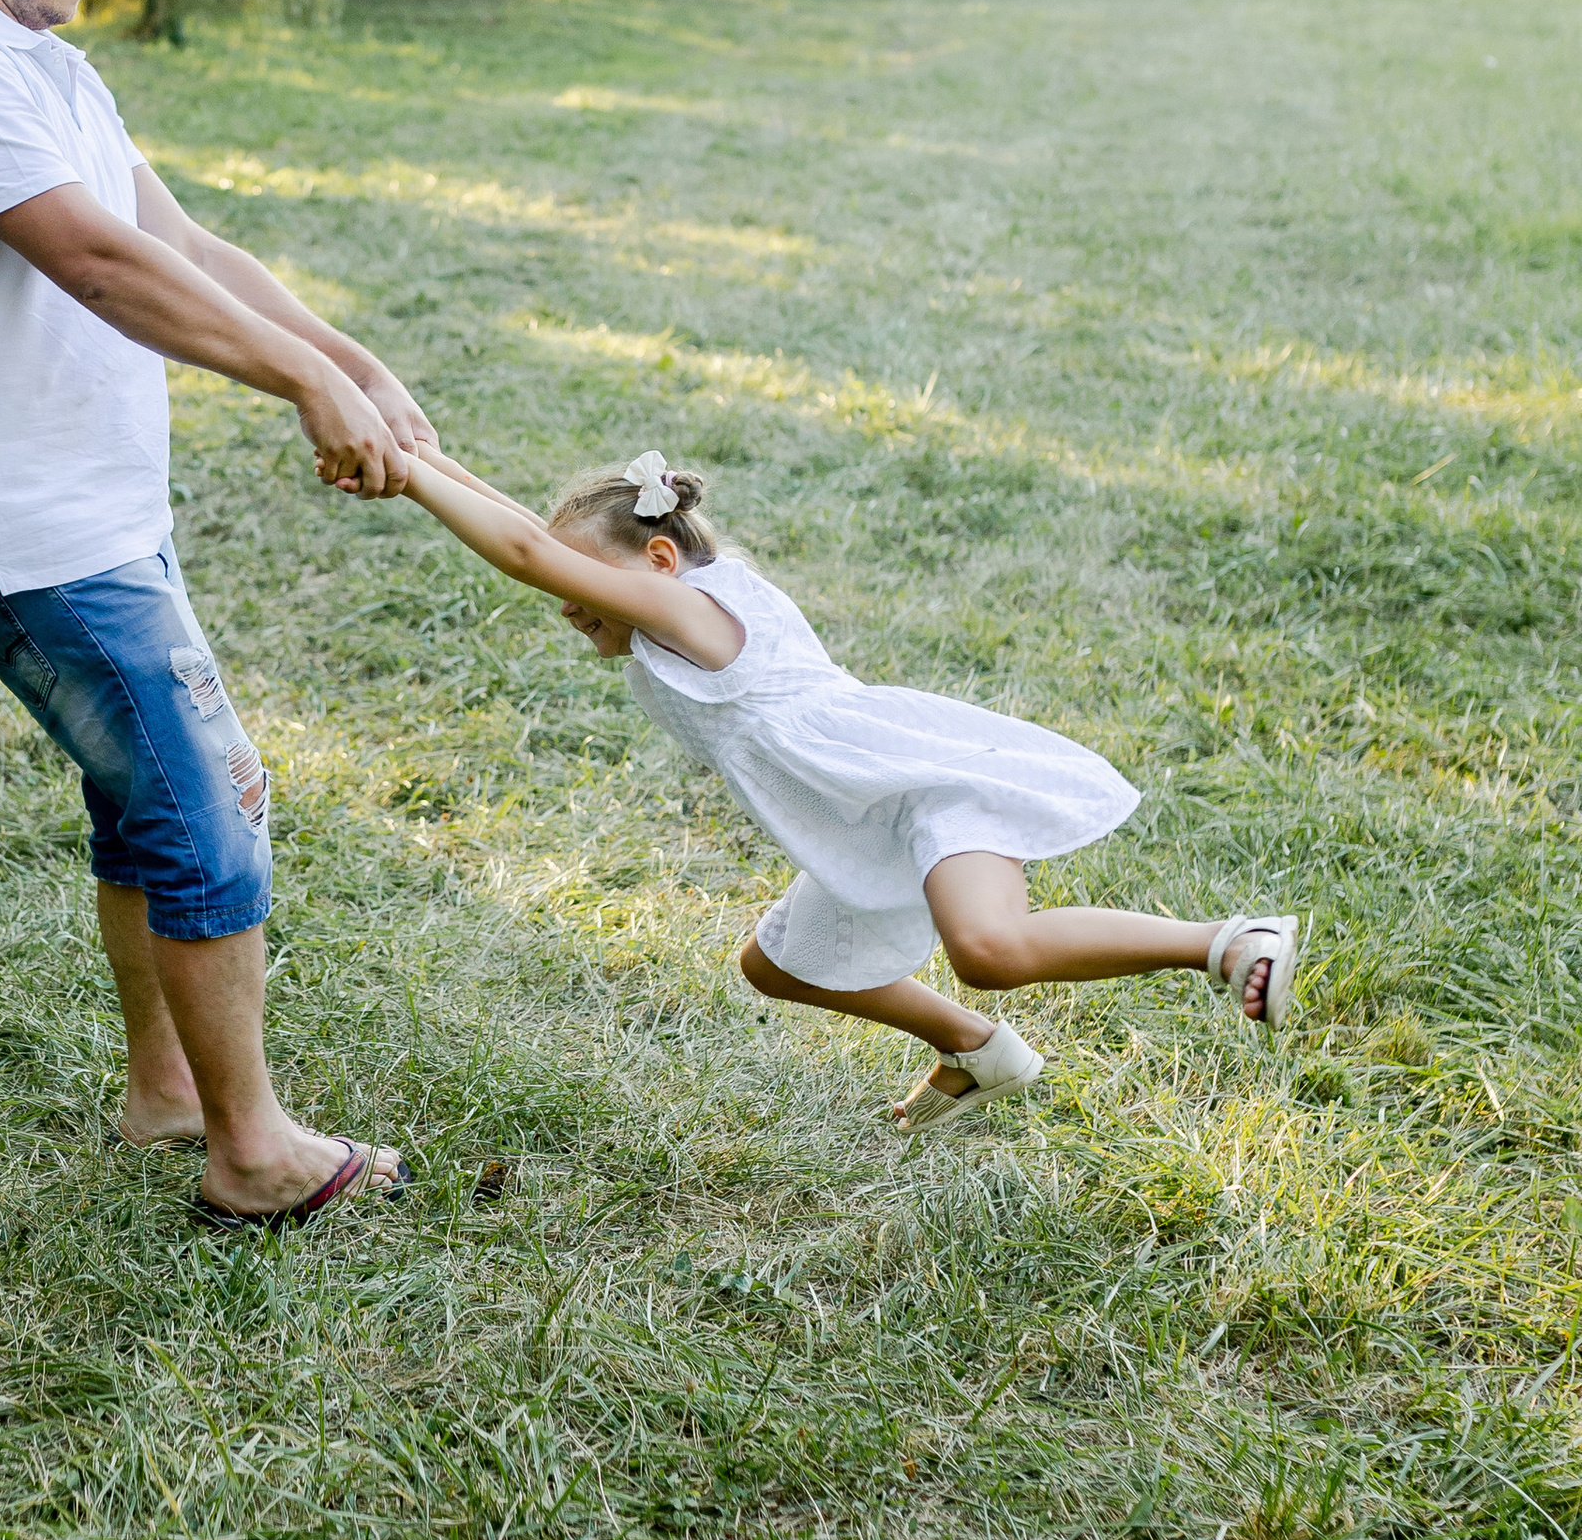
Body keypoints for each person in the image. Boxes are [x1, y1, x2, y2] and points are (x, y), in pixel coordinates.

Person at [0, 0, 430, 1224]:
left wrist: (347, 359)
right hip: (33, 535)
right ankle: (253, 1151)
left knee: (142, 806)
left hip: (99, 514)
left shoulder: (47, 67)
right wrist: (300, 382)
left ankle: (168, 1089)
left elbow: (179, 242)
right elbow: (100, 269)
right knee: (212, 806)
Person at [394, 444, 1299, 1122]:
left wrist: (404, 474)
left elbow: (523, 552)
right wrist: (426, 455)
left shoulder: (687, 605)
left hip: (920, 787)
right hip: (859, 822)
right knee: (781, 965)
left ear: (658, 562)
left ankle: (1226, 943)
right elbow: (534, 540)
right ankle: (978, 1052)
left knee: (991, 950)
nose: (562, 602)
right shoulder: (669, 598)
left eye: (579, 581)